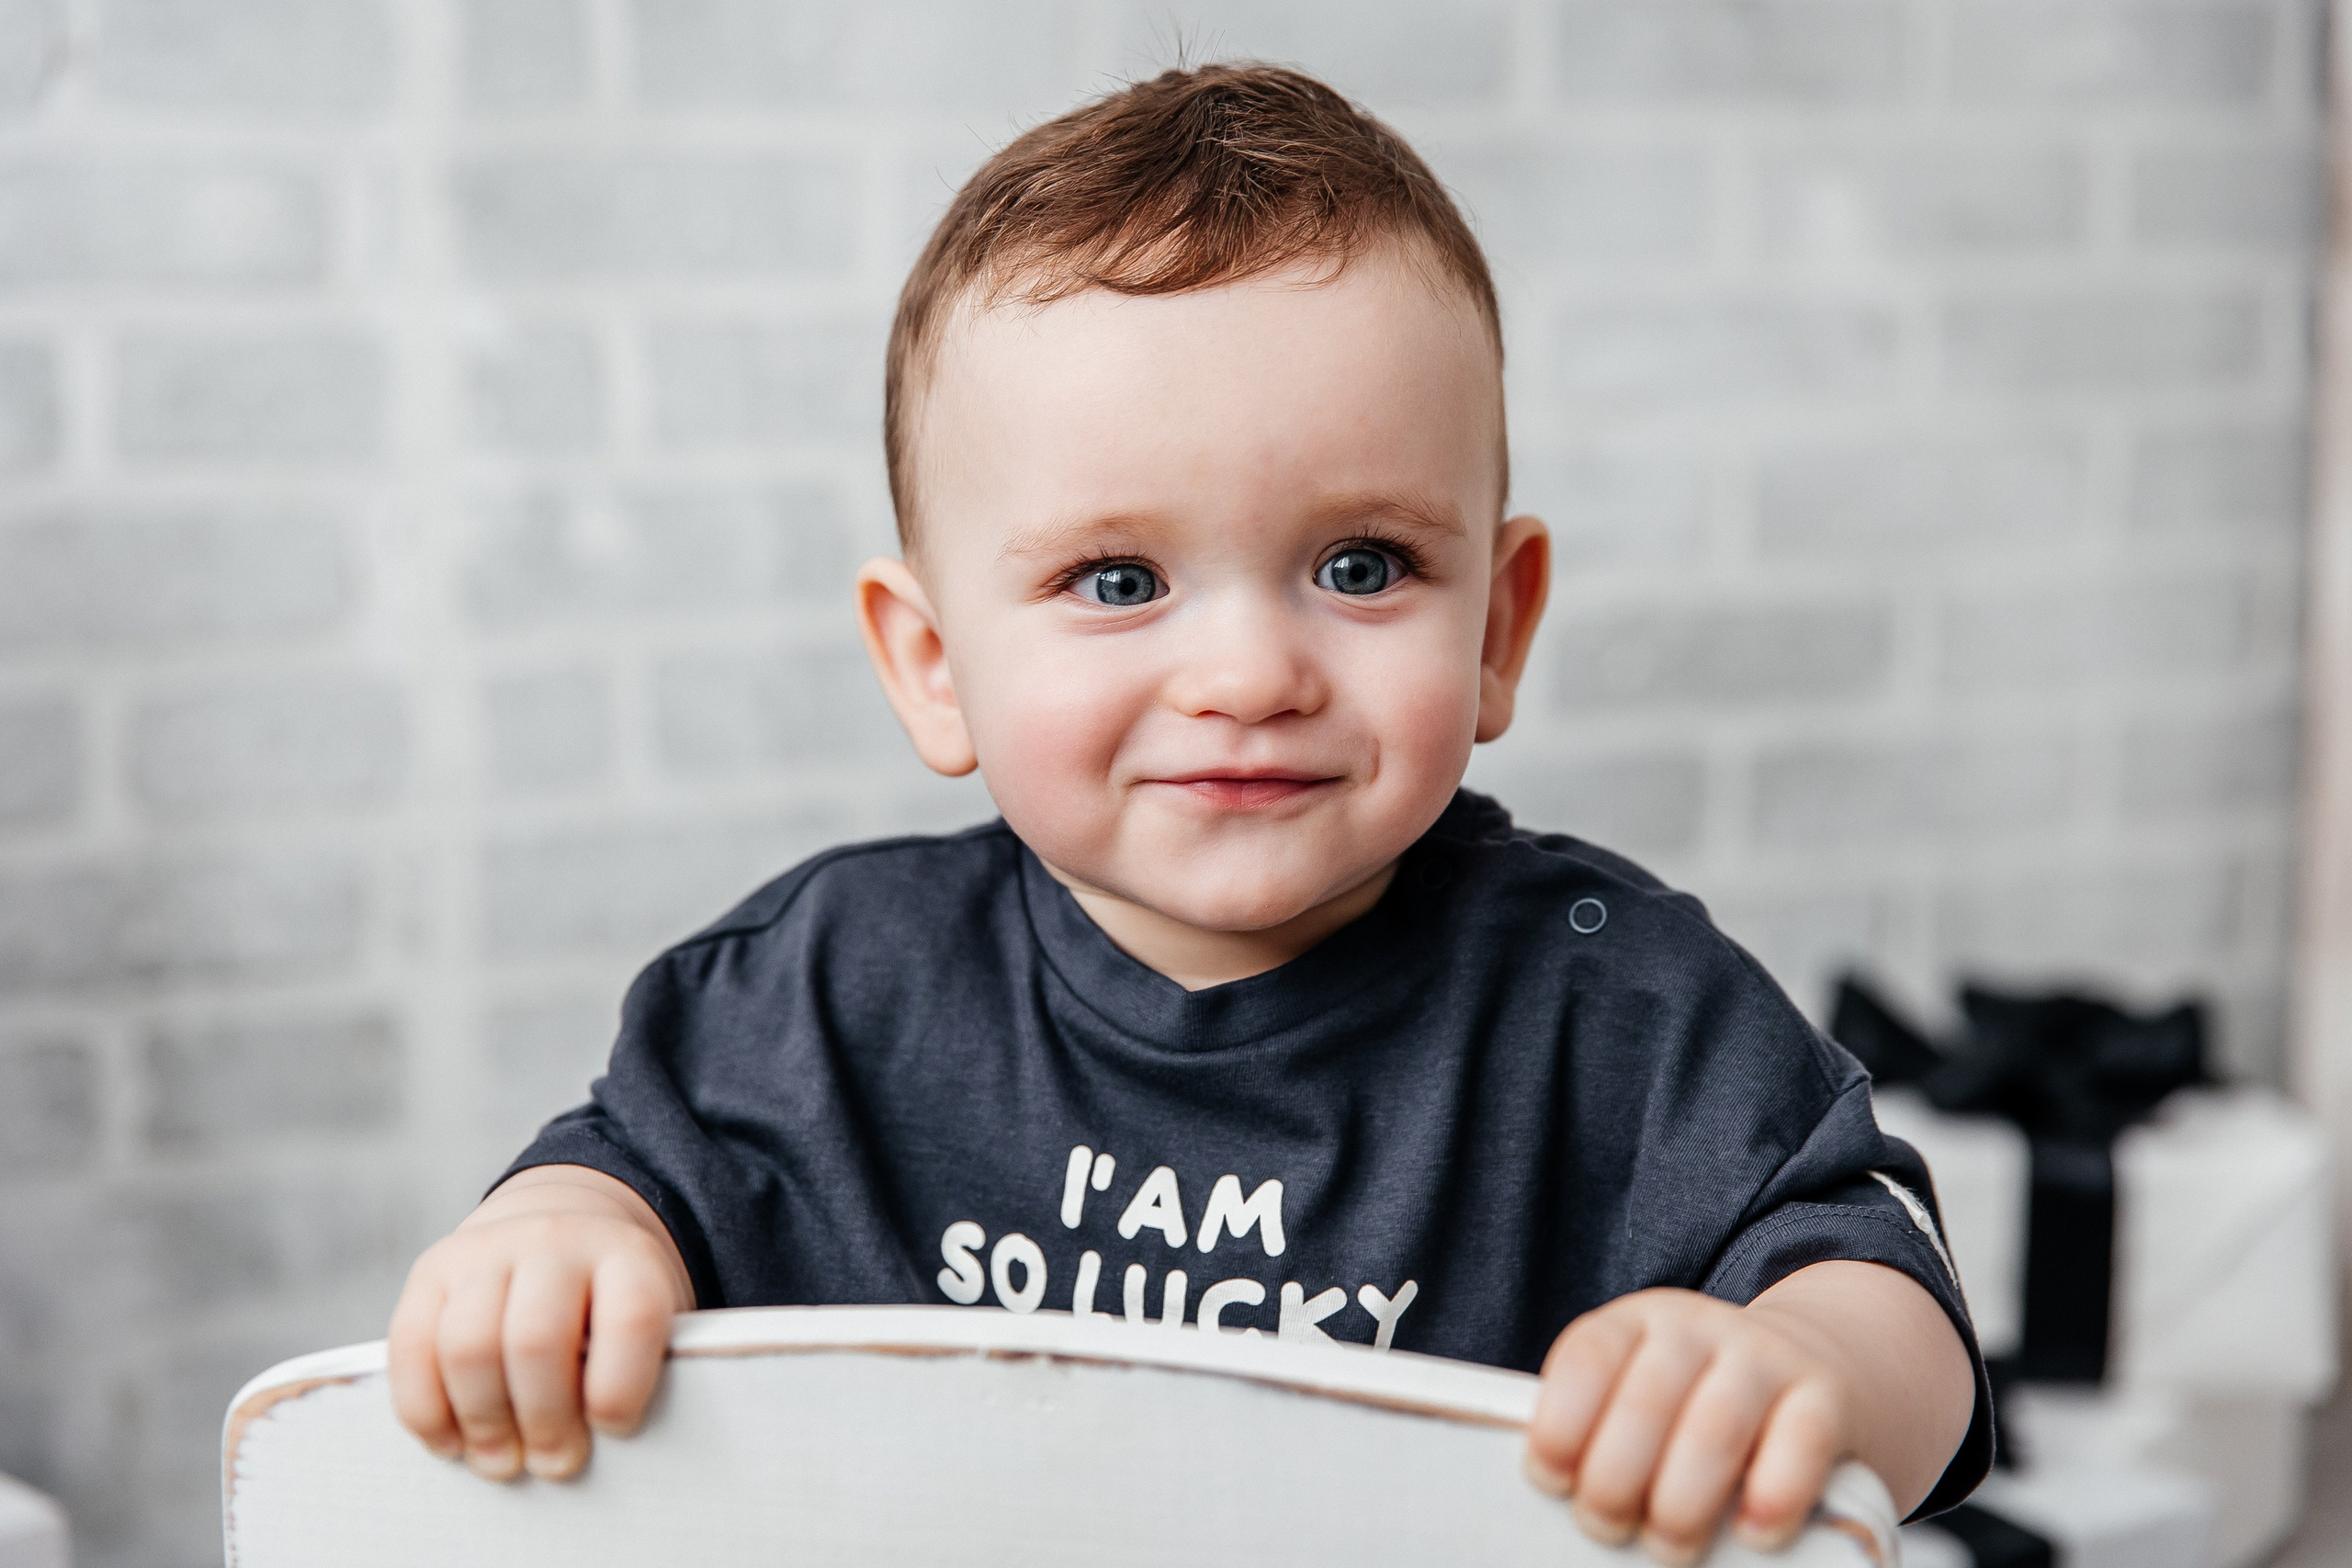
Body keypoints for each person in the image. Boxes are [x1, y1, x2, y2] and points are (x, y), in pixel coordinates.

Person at [388, 63, 1986, 1562]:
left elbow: (1893, 1296)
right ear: (934, 665)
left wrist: (1801, 1369)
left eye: (1361, 566)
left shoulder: (1617, 1008)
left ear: (1496, 629)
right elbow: (626, 1177)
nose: (1246, 671)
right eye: (1119, 580)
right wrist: (557, 1237)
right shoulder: (823, 995)